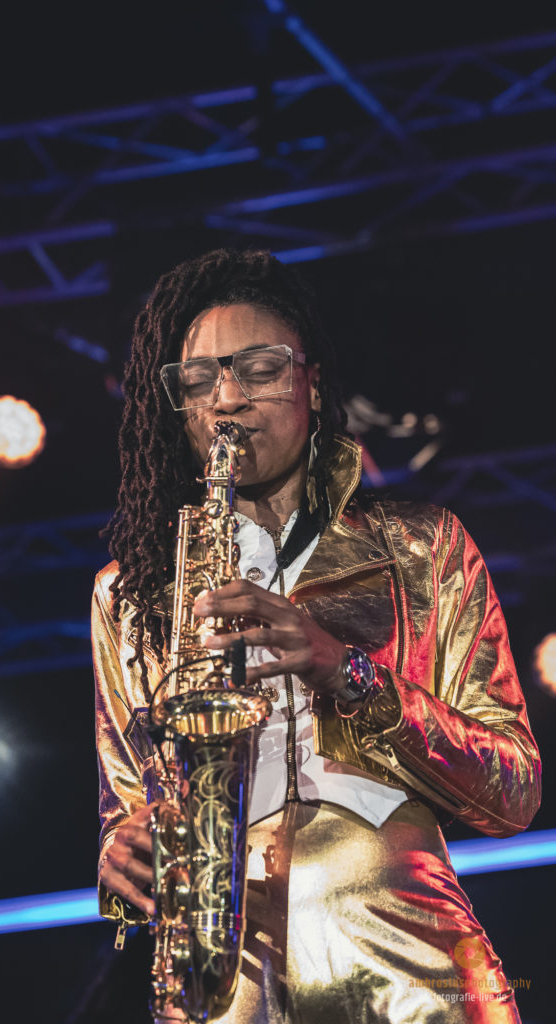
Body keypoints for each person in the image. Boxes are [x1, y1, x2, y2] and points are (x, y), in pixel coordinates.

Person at [92, 248, 541, 1023]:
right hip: (222, 983)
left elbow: (515, 792)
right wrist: (119, 852)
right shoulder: (125, 591)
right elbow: (127, 808)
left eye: (259, 369)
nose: (226, 400)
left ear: (313, 382)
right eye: (198, 381)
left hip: (407, 959)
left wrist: (346, 671)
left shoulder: (423, 546)